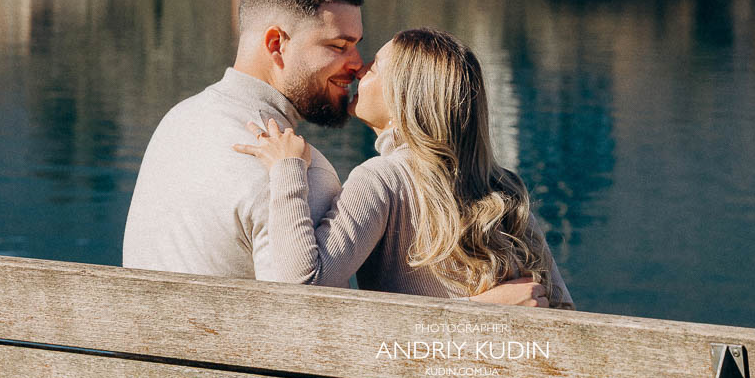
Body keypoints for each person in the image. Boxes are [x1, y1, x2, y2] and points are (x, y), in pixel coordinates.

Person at [124, 0, 543, 305]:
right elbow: (311, 315)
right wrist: (476, 314)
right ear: (276, 45)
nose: (357, 64)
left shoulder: (175, 124)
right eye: (339, 46)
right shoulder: (300, 172)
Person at [235, 27, 575, 308]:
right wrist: (483, 311)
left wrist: (287, 168)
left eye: (376, 66)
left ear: (403, 100)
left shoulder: (381, 180)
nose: (359, 69)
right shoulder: (503, 186)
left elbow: (303, 287)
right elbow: (564, 310)